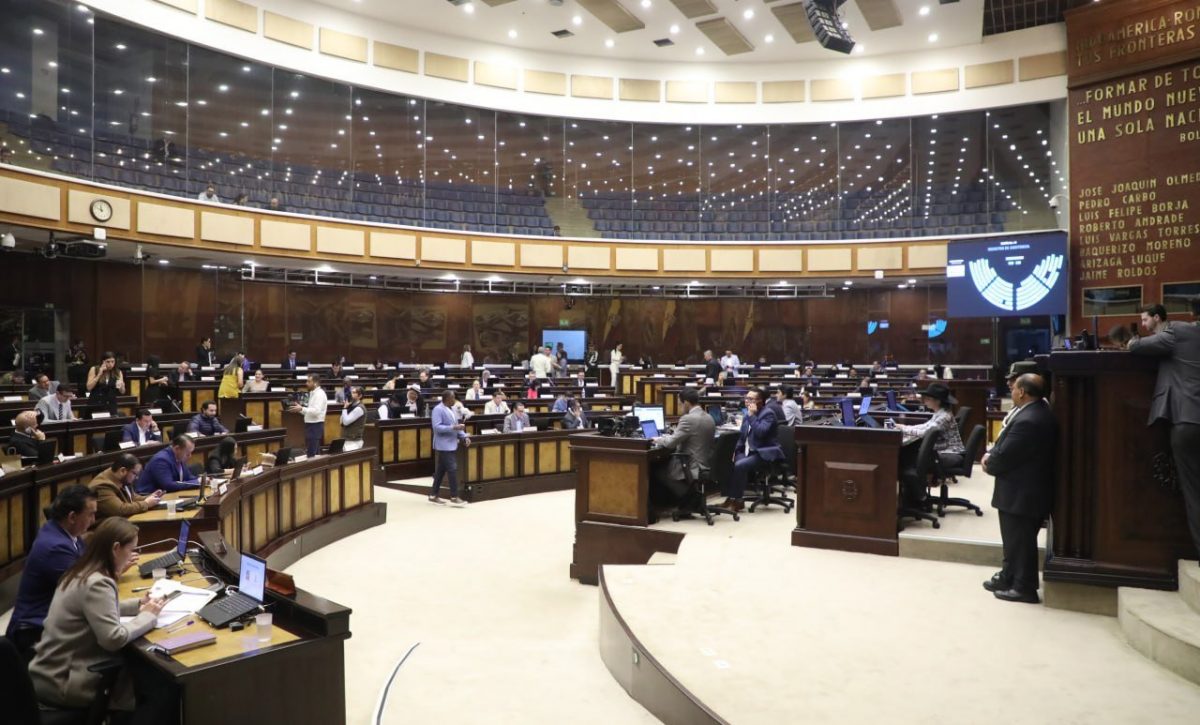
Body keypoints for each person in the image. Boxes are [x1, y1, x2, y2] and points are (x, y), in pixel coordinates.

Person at [28, 517, 172, 720]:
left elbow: (93, 608)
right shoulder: (98, 583)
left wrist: (137, 605)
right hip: (68, 682)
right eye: (131, 550)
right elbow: (113, 638)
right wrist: (148, 616)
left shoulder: (81, 571)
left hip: (49, 673)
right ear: (115, 548)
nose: (133, 555)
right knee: (160, 686)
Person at [1129, 300, 1200, 561]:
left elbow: (1136, 346)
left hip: (1190, 419)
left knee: (1194, 492)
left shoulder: (1181, 331)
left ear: (1192, 313)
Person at [982, 374, 1057, 603]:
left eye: (1014, 388)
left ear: (1022, 392)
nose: (1011, 391)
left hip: (1023, 492)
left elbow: (1005, 456)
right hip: (1022, 489)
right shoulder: (1037, 412)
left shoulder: (1029, 420)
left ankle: (1024, 588)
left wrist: (988, 462)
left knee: (1021, 541)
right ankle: (1009, 576)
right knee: (1014, 540)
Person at [5, 485, 98, 661]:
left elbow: (87, 567)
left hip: (53, 616)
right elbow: (84, 590)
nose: (93, 520)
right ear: (72, 516)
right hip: (35, 629)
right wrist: (113, 567)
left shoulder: (66, 533)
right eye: (91, 514)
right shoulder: (56, 547)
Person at [651, 389, 716, 505]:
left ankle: (690, 498)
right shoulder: (709, 417)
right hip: (705, 463)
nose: (681, 407)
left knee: (657, 471)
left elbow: (671, 443)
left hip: (691, 464)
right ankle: (689, 499)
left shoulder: (688, 419)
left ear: (686, 403)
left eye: (680, 404)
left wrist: (657, 439)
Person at [722, 388, 783, 512]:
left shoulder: (768, 413)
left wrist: (751, 416)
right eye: (746, 398)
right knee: (728, 461)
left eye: (751, 399)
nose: (747, 401)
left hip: (763, 452)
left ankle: (738, 500)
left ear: (760, 401)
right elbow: (742, 437)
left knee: (740, 465)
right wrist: (735, 451)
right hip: (747, 451)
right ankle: (731, 497)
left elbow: (760, 432)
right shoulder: (747, 414)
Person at [895, 383, 967, 469]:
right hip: (943, 451)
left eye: (928, 399)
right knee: (908, 453)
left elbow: (926, 433)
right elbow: (925, 426)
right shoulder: (940, 413)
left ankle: (914, 480)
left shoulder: (944, 417)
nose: (925, 401)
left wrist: (904, 429)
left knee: (908, 456)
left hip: (951, 454)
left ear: (938, 401)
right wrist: (904, 427)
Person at [90, 454, 162, 520]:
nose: (136, 478)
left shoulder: (122, 478)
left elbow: (132, 497)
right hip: (102, 528)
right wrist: (146, 503)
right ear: (122, 470)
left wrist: (151, 497)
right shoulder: (102, 486)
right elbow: (120, 510)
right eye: (134, 474)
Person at [429, 391, 470, 506]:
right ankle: (454, 496)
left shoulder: (450, 409)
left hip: (451, 444)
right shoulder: (438, 409)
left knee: (440, 471)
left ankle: (433, 495)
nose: (454, 400)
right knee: (452, 469)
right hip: (443, 445)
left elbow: (457, 426)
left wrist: (464, 436)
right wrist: (454, 427)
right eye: (453, 398)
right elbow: (437, 428)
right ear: (446, 399)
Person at [290, 373, 328, 457]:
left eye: (309, 381)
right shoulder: (313, 393)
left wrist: (302, 409)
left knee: (311, 454)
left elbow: (316, 411)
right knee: (315, 454)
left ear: (315, 383)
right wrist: (299, 409)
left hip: (315, 426)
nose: (306, 383)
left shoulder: (319, 394)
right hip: (311, 425)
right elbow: (309, 411)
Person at [339, 386, 366, 451]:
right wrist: (346, 407)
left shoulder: (359, 408)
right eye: (351, 392)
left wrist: (345, 409)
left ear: (360, 396)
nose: (351, 394)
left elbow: (346, 422)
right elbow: (341, 422)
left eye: (354, 392)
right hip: (346, 440)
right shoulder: (351, 406)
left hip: (354, 442)